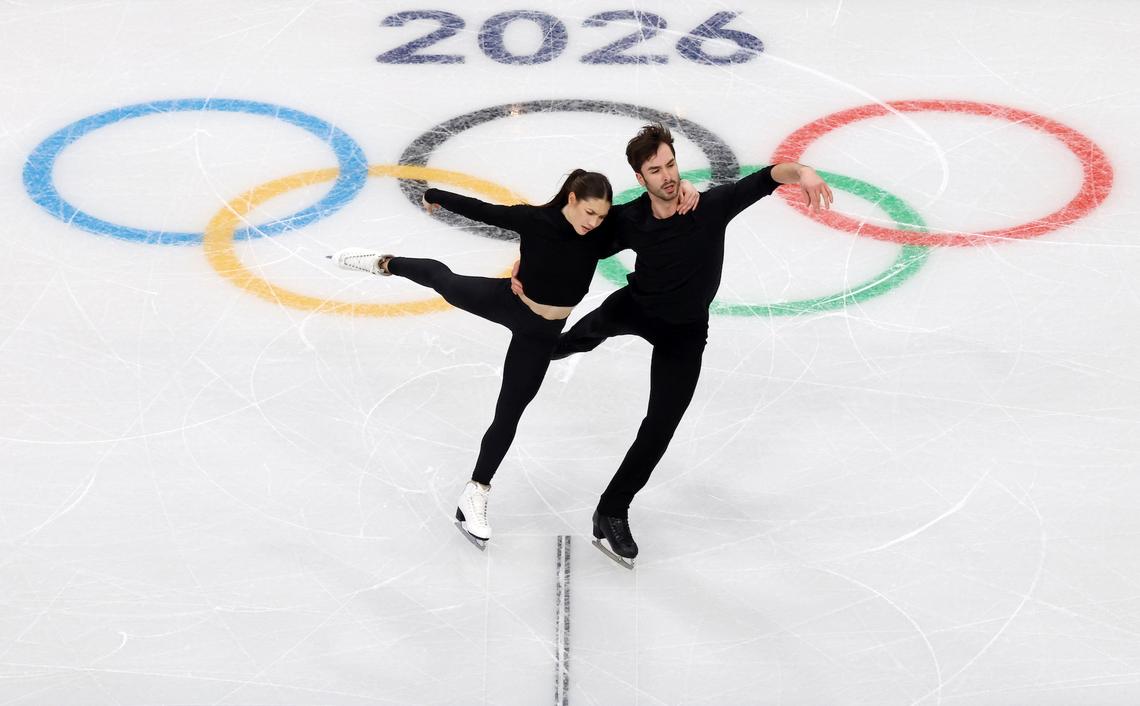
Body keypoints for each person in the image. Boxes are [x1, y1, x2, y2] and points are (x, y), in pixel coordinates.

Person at [513, 123, 834, 567]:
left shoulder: (710, 208)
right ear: (640, 180)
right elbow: (574, 240)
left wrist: (805, 172)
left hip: (684, 332)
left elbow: (764, 179)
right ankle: (547, 349)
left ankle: (611, 509)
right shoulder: (629, 219)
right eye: (654, 170)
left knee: (661, 425)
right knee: (581, 337)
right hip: (637, 306)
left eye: (670, 164)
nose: (666, 175)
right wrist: (527, 263)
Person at [330, 170, 699, 549]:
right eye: (589, 212)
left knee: (509, 413)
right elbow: (485, 211)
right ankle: (384, 264)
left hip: (539, 337)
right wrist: (437, 195)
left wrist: (684, 185)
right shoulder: (535, 221)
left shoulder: (602, 231)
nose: (594, 222)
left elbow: (647, 205)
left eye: (602, 216)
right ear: (571, 199)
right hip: (508, 302)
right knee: (446, 281)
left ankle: (474, 493)